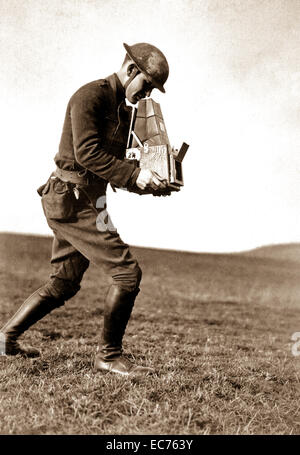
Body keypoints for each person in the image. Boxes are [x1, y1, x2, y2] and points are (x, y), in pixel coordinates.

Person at [0, 42, 170, 377]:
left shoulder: (123, 110)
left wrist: (152, 185)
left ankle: (6, 339)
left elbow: (113, 167)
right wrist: (136, 175)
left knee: (65, 282)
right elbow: (88, 155)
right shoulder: (90, 96)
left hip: (93, 200)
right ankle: (108, 356)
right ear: (132, 70)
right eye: (147, 85)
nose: (147, 94)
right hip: (71, 199)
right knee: (127, 273)